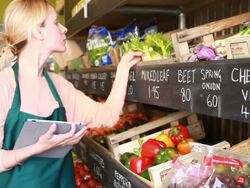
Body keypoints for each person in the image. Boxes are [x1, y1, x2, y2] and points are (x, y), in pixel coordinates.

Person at [0, 0, 142, 187]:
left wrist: (124, 67)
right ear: (37, 31)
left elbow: (107, 117)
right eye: (55, 23)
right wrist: (37, 148)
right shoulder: (5, 85)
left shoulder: (58, 86)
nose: (64, 28)